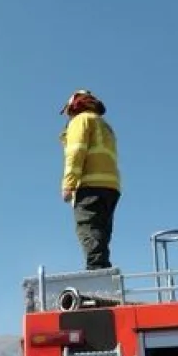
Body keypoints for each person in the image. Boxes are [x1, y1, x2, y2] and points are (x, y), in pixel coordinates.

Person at [59, 89, 121, 270]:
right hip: (111, 186)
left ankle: (97, 271)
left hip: (90, 185)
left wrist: (69, 185)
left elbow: (76, 152)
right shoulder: (104, 125)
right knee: (101, 233)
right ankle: (101, 267)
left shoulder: (81, 121)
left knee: (88, 229)